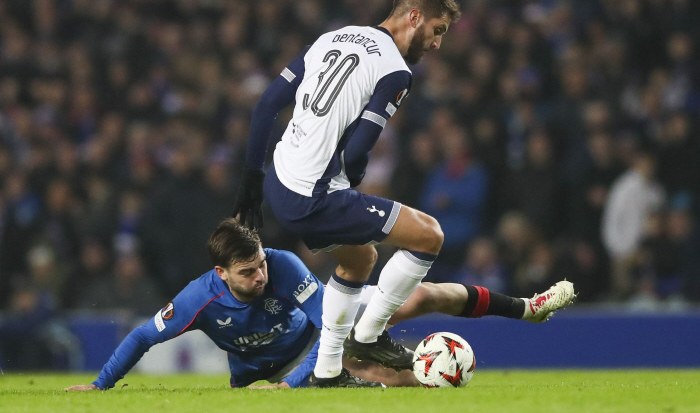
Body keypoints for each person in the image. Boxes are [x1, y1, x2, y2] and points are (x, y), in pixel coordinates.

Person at [233, 0, 503, 387]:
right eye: (437, 31)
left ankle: (326, 372)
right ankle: (369, 337)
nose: (437, 44)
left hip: (278, 181)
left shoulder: (331, 38)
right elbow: (358, 152)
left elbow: (267, 104)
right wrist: (351, 179)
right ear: (414, 17)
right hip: (313, 195)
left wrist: (253, 175)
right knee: (429, 235)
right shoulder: (395, 71)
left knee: (360, 259)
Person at [67, 218, 575, 390]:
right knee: (391, 381)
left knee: (421, 295)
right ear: (221, 274)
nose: (261, 274)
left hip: (315, 343)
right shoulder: (197, 300)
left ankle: (528, 306)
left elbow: (326, 327)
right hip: (269, 371)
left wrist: (296, 382)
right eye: (248, 272)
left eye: (261, 262)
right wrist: (98, 385)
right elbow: (139, 336)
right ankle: (420, 372)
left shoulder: (284, 265)